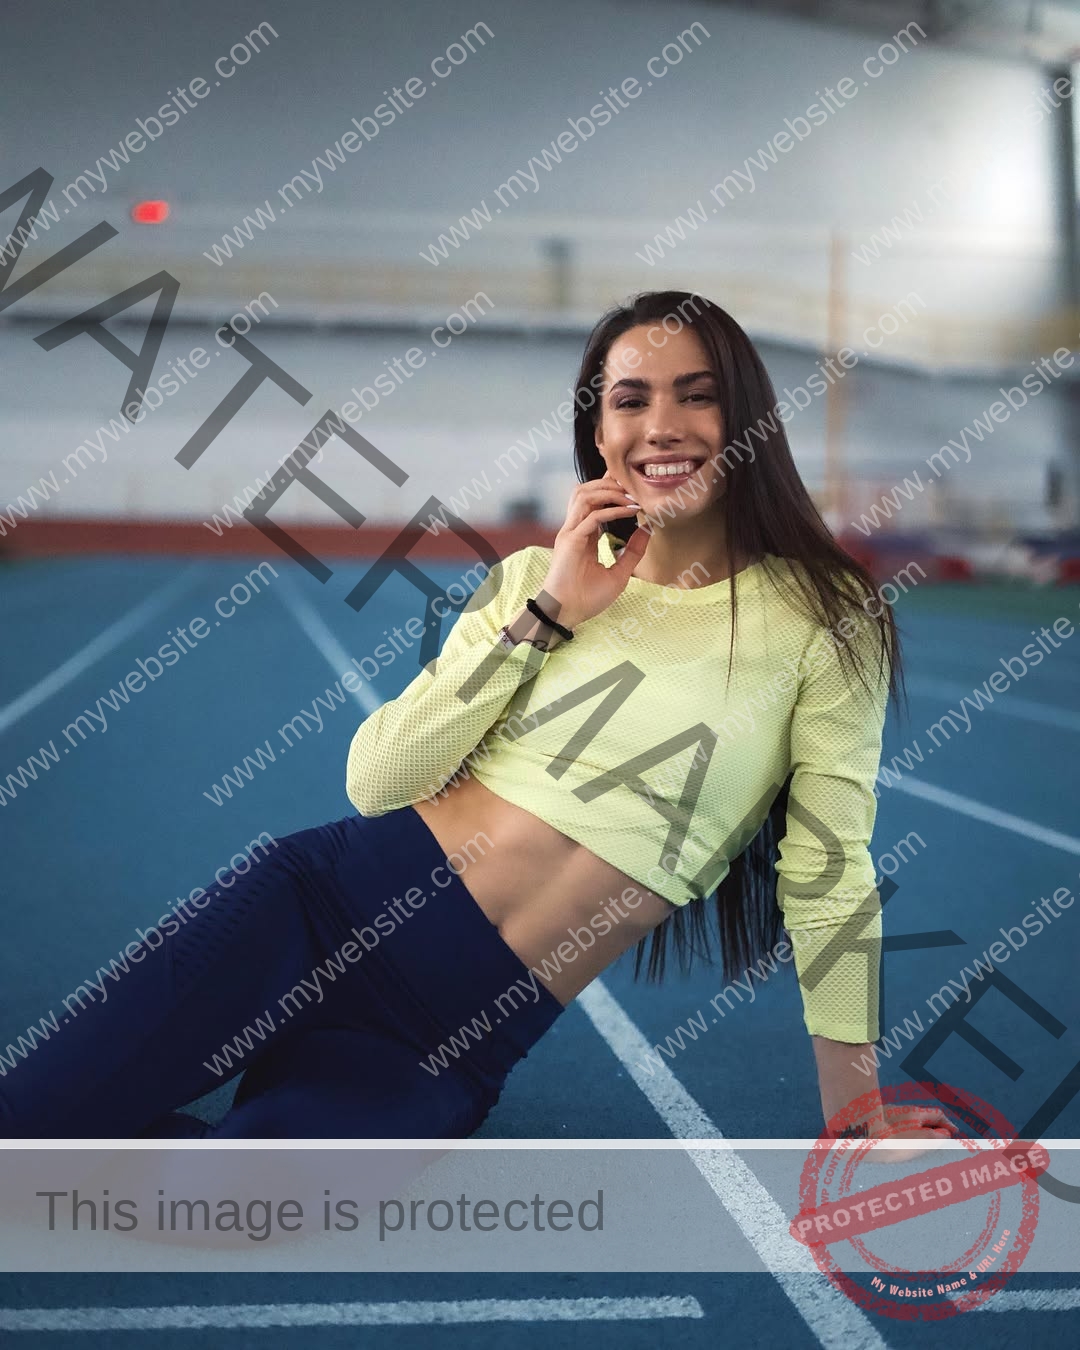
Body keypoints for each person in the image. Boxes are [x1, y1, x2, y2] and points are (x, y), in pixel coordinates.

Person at [0, 290, 953, 1144]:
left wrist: (855, 1107)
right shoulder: (533, 579)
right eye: (630, 400)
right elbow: (377, 779)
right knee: (29, 1128)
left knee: (230, 1206)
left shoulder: (824, 617)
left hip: (448, 1035)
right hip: (317, 912)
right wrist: (552, 614)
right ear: (600, 431)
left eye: (696, 396)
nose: (662, 426)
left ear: (745, 418)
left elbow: (829, 872)